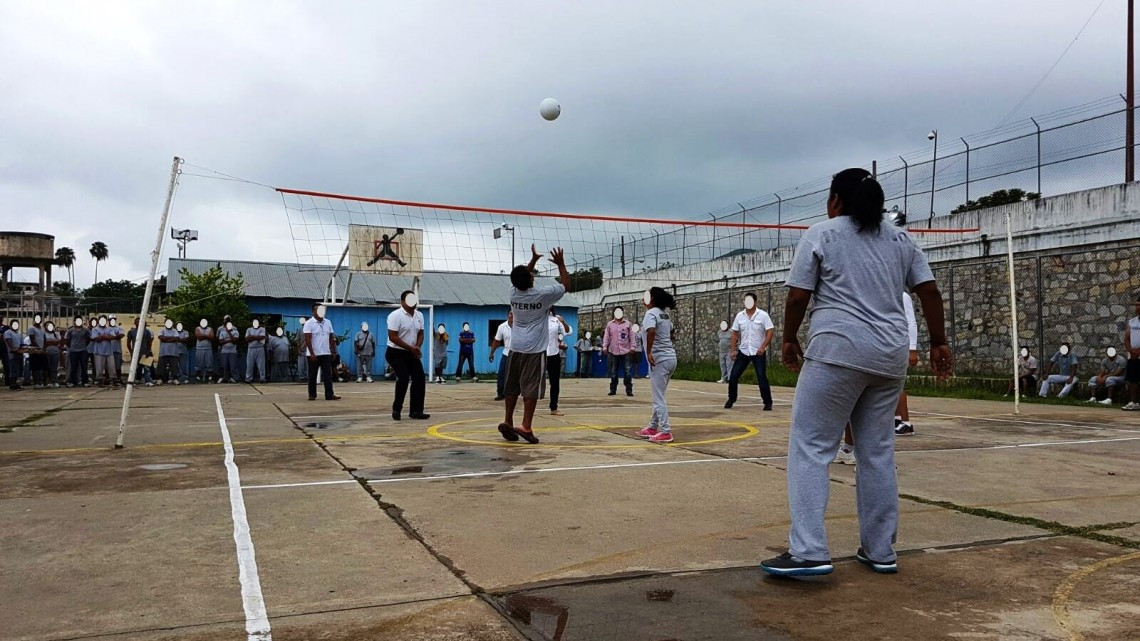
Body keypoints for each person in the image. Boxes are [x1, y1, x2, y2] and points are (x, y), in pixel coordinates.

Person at [761, 168, 951, 577]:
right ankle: (881, 550)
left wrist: (789, 338)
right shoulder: (902, 240)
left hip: (837, 350)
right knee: (877, 451)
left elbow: (798, 296)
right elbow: (929, 292)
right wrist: (939, 342)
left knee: (811, 447)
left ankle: (809, 551)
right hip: (889, 357)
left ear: (836, 201)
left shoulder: (823, 233)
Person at [498, 244, 572, 444]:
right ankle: (526, 426)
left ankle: (507, 420)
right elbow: (566, 285)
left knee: (512, 386)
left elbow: (521, 277)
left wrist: (532, 262)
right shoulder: (542, 295)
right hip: (534, 349)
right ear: (531, 279)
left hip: (515, 347)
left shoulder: (513, 294)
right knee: (531, 388)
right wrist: (561, 263)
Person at [636, 287, 679, 443]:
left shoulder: (651, 313)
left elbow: (651, 331)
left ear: (652, 299)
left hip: (659, 359)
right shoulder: (665, 315)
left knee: (657, 398)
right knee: (659, 394)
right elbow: (672, 333)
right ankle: (652, 426)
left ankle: (666, 431)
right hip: (670, 358)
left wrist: (648, 352)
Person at [725, 293, 775, 411]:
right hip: (744, 351)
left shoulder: (763, 315)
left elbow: (770, 331)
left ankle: (767, 402)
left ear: (755, 302)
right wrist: (733, 350)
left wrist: (763, 347)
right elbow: (735, 333)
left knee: (761, 376)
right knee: (734, 375)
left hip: (758, 351)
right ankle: (731, 398)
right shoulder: (740, 316)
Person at [386, 290, 429, 420]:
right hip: (395, 352)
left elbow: (421, 333)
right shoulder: (395, 316)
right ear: (403, 302)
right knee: (403, 377)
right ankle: (397, 409)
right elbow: (393, 337)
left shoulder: (419, 315)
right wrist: (411, 348)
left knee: (419, 378)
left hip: (411, 352)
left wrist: (417, 347)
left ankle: (416, 411)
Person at [304, 303, 341, 401]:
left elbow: (331, 337)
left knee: (328, 375)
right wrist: (311, 353)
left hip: (326, 353)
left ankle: (329, 394)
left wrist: (333, 351)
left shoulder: (328, 322)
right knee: (313, 375)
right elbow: (307, 339)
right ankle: (312, 394)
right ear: (313, 312)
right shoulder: (309, 323)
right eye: (318, 310)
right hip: (314, 354)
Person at [602, 306, 634, 397]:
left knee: (627, 371)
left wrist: (633, 347)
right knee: (613, 372)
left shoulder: (628, 324)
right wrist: (605, 347)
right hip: (613, 351)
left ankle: (629, 390)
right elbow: (606, 337)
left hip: (626, 351)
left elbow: (632, 337)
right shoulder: (610, 324)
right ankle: (613, 390)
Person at [546, 308, 571, 415]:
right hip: (538, 353)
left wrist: (563, 322)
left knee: (555, 382)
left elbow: (567, 331)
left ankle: (554, 407)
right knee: (533, 381)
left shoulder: (556, 319)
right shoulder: (536, 317)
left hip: (553, 353)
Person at [490, 312, 513, 401]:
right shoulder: (502, 327)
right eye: (510, 314)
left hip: (519, 354)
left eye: (514, 314)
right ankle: (500, 393)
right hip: (507, 353)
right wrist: (492, 353)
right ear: (507, 315)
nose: (512, 316)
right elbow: (497, 341)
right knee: (501, 374)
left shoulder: (521, 326)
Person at [126, 319, 155, 386]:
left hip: (145, 353)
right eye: (137, 321)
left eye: (140, 321)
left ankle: (148, 381)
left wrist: (148, 351)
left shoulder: (147, 332)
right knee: (134, 368)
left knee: (146, 368)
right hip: (135, 353)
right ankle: (133, 381)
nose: (139, 323)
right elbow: (128, 343)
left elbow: (149, 343)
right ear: (135, 323)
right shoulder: (131, 332)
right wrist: (131, 352)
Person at [64, 317, 90, 388]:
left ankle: (85, 382)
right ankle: (72, 382)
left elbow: (88, 339)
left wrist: (83, 346)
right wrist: (72, 347)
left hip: (83, 351)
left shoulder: (86, 330)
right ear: (74, 321)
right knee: (73, 367)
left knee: (84, 367)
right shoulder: (70, 330)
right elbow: (67, 341)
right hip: (73, 352)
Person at [91, 315, 115, 387]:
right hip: (98, 352)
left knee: (111, 367)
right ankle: (100, 381)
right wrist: (106, 336)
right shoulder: (95, 329)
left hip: (109, 351)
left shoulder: (110, 328)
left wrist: (102, 336)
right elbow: (96, 339)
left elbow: (113, 337)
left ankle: (112, 380)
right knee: (99, 368)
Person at [1125, 295, 1140, 411]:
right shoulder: (1132, 321)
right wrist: (1131, 351)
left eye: (1139, 305)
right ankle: (1134, 402)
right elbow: (1126, 338)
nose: (1137, 307)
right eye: (1136, 305)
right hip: (1133, 356)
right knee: (1132, 380)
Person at [157, 319, 182, 384]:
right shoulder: (161, 330)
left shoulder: (175, 330)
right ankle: (160, 379)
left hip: (173, 352)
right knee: (161, 366)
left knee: (174, 366)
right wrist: (171, 339)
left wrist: (166, 339)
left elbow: (176, 338)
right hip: (163, 352)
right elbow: (161, 337)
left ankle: (175, 379)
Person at [217, 316, 240, 383]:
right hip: (223, 349)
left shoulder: (234, 329)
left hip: (232, 350)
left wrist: (227, 339)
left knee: (233, 365)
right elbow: (219, 340)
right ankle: (223, 377)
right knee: (223, 365)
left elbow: (235, 340)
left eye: (228, 320)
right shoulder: (220, 329)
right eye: (226, 320)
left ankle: (233, 378)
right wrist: (229, 340)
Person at [244, 319, 268, 383]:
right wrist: (256, 337)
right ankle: (248, 378)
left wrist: (252, 337)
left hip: (260, 348)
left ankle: (262, 378)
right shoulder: (249, 329)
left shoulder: (262, 329)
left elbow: (262, 337)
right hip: (251, 348)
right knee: (249, 364)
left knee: (261, 364)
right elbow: (246, 339)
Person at [5, 319, 24, 390]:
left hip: (19, 353)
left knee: (18, 369)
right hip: (12, 354)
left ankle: (16, 383)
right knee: (13, 369)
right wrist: (13, 349)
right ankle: (12, 384)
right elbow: (9, 342)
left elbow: (22, 344)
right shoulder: (8, 332)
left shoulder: (18, 333)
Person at [43, 320, 61, 388]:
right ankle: (47, 382)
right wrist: (53, 342)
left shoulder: (56, 334)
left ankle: (55, 381)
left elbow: (58, 342)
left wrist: (50, 342)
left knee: (54, 368)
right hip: (47, 352)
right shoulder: (43, 333)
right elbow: (45, 342)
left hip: (55, 352)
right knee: (47, 368)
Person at [108, 316, 125, 386]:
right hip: (108, 350)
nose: (112, 320)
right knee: (108, 366)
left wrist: (112, 336)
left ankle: (118, 378)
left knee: (118, 366)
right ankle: (109, 379)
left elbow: (121, 335)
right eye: (111, 319)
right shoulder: (106, 328)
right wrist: (115, 336)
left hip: (117, 350)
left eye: (114, 319)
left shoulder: (119, 327)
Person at [295, 316, 309, 382]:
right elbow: (297, 340)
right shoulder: (300, 330)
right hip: (302, 350)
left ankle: (307, 377)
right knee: (301, 365)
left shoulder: (310, 329)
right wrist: (298, 349)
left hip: (309, 350)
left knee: (308, 365)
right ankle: (301, 377)